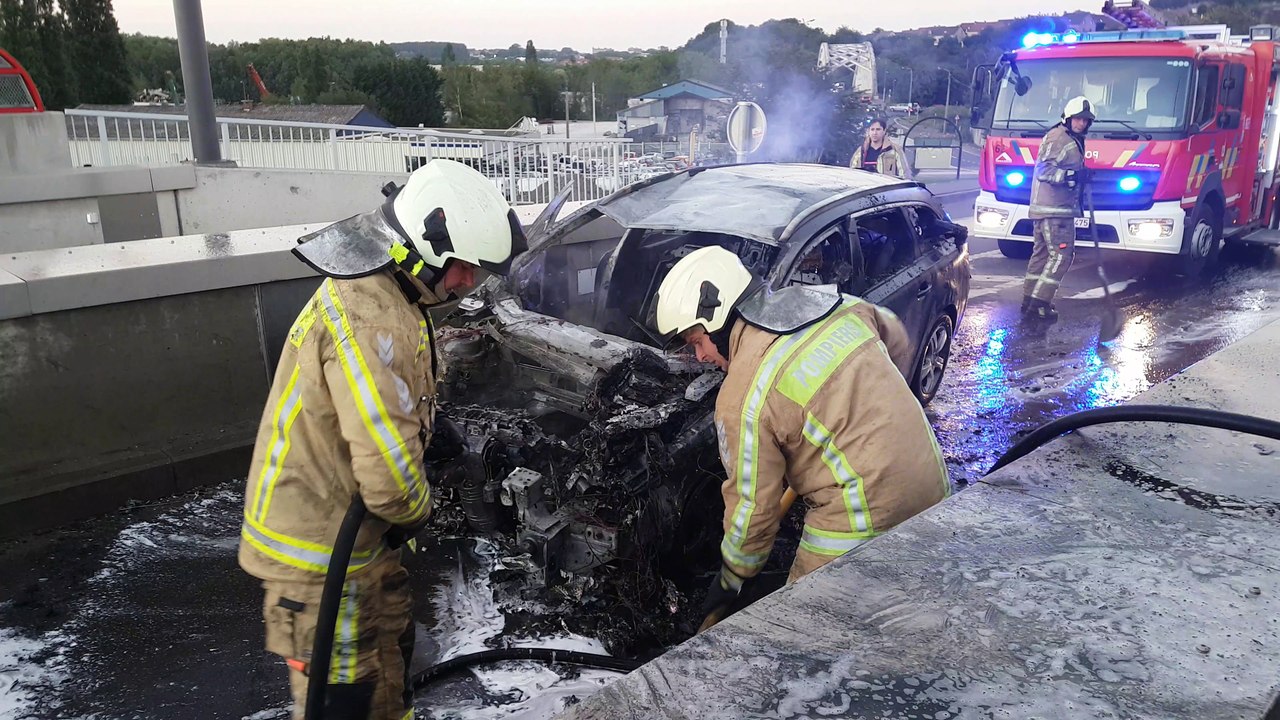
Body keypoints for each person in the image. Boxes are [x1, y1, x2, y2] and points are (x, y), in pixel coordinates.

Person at [238, 159, 527, 720]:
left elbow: (387, 401)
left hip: (356, 545)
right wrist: (419, 509)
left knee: (389, 666)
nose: (467, 283)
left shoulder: (392, 292)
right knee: (345, 698)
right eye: (463, 267)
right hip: (319, 556)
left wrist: (429, 426)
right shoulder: (376, 320)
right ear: (423, 243)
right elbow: (391, 489)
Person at [650, 246, 950, 617]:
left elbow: (753, 509)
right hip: (932, 478)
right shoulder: (834, 306)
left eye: (697, 341)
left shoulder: (743, 397)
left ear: (718, 317)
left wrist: (731, 577)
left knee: (805, 628)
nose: (700, 356)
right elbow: (898, 338)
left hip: (861, 515)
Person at [1024, 96, 1094, 323]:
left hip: (1049, 209)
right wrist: (1072, 175)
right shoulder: (1059, 138)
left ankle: (1029, 301)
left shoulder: (1067, 138)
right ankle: (1040, 304)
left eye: (1085, 120)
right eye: (1078, 119)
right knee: (1062, 256)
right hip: (1056, 210)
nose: (1081, 124)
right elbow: (1043, 170)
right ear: (1067, 117)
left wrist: (1080, 175)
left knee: (1042, 256)